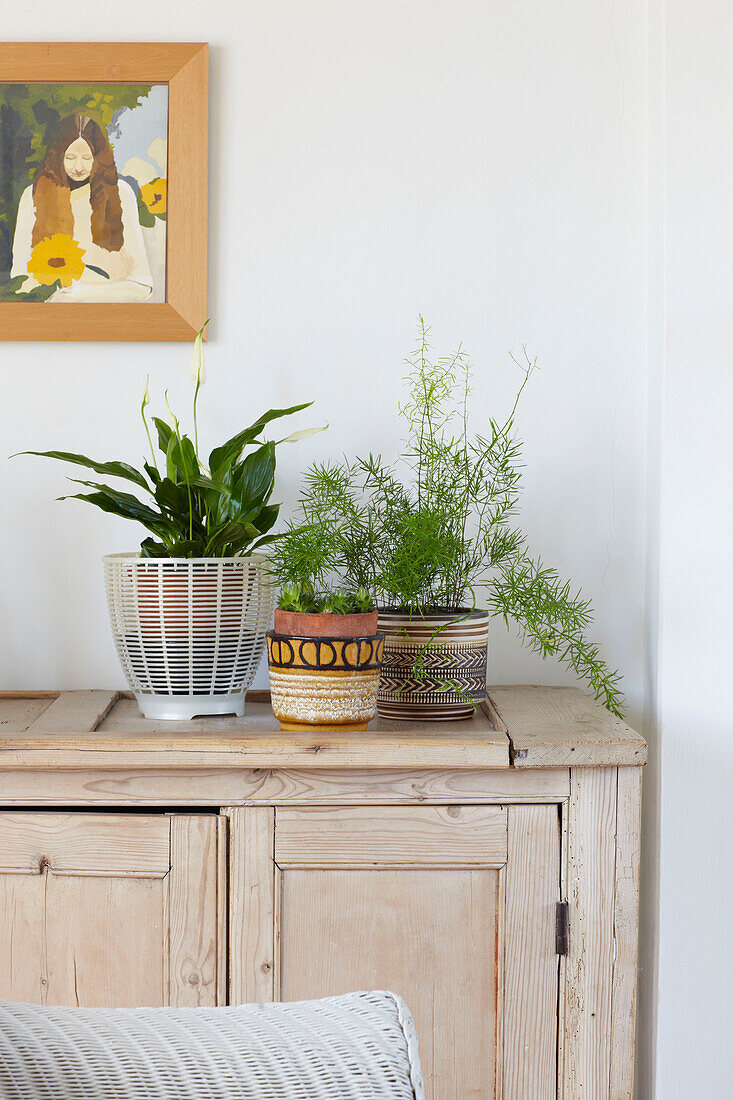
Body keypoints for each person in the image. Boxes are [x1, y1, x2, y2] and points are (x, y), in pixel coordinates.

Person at [11, 114, 153, 302]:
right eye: (70, 157)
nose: (79, 167)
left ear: (99, 157)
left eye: (87, 158)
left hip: (110, 311)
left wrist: (84, 294)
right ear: (57, 156)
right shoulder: (33, 195)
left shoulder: (120, 193)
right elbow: (20, 278)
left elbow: (142, 284)